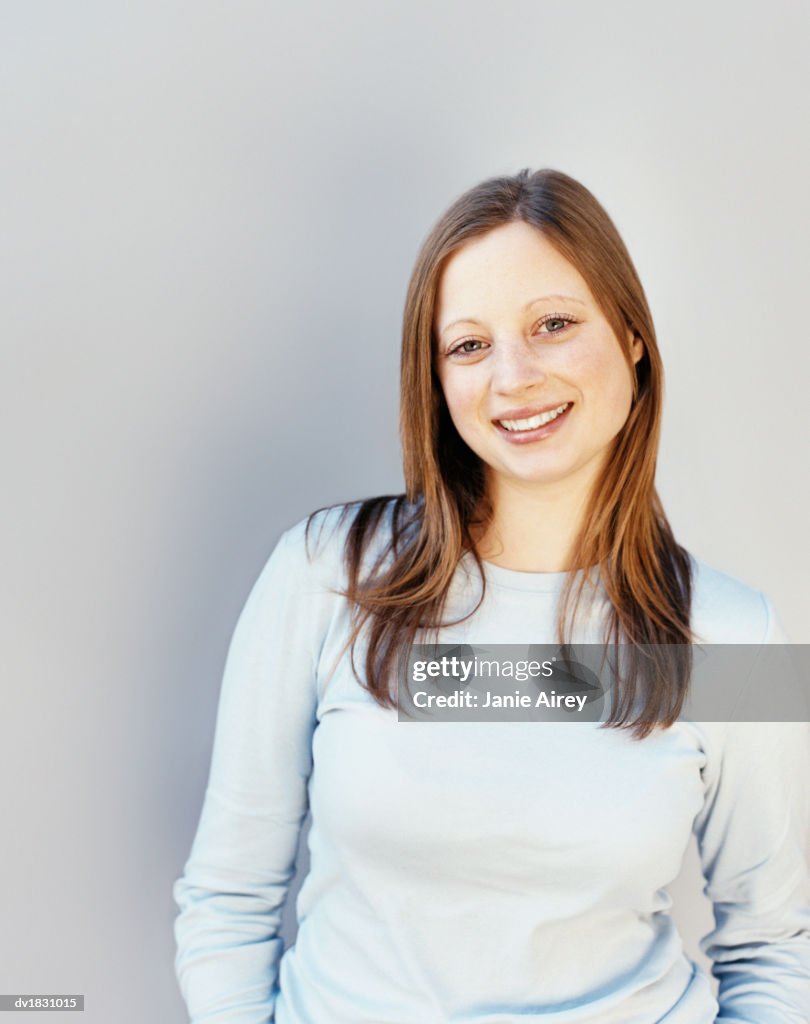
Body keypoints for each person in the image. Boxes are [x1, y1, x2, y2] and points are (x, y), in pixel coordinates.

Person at [172, 169, 810, 1023]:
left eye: (553, 324)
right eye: (468, 345)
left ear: (630, 337)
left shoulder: (733, 636)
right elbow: (227, 897)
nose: (514, 377)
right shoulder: (328, 575)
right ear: (435, 381)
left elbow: (775, 946)